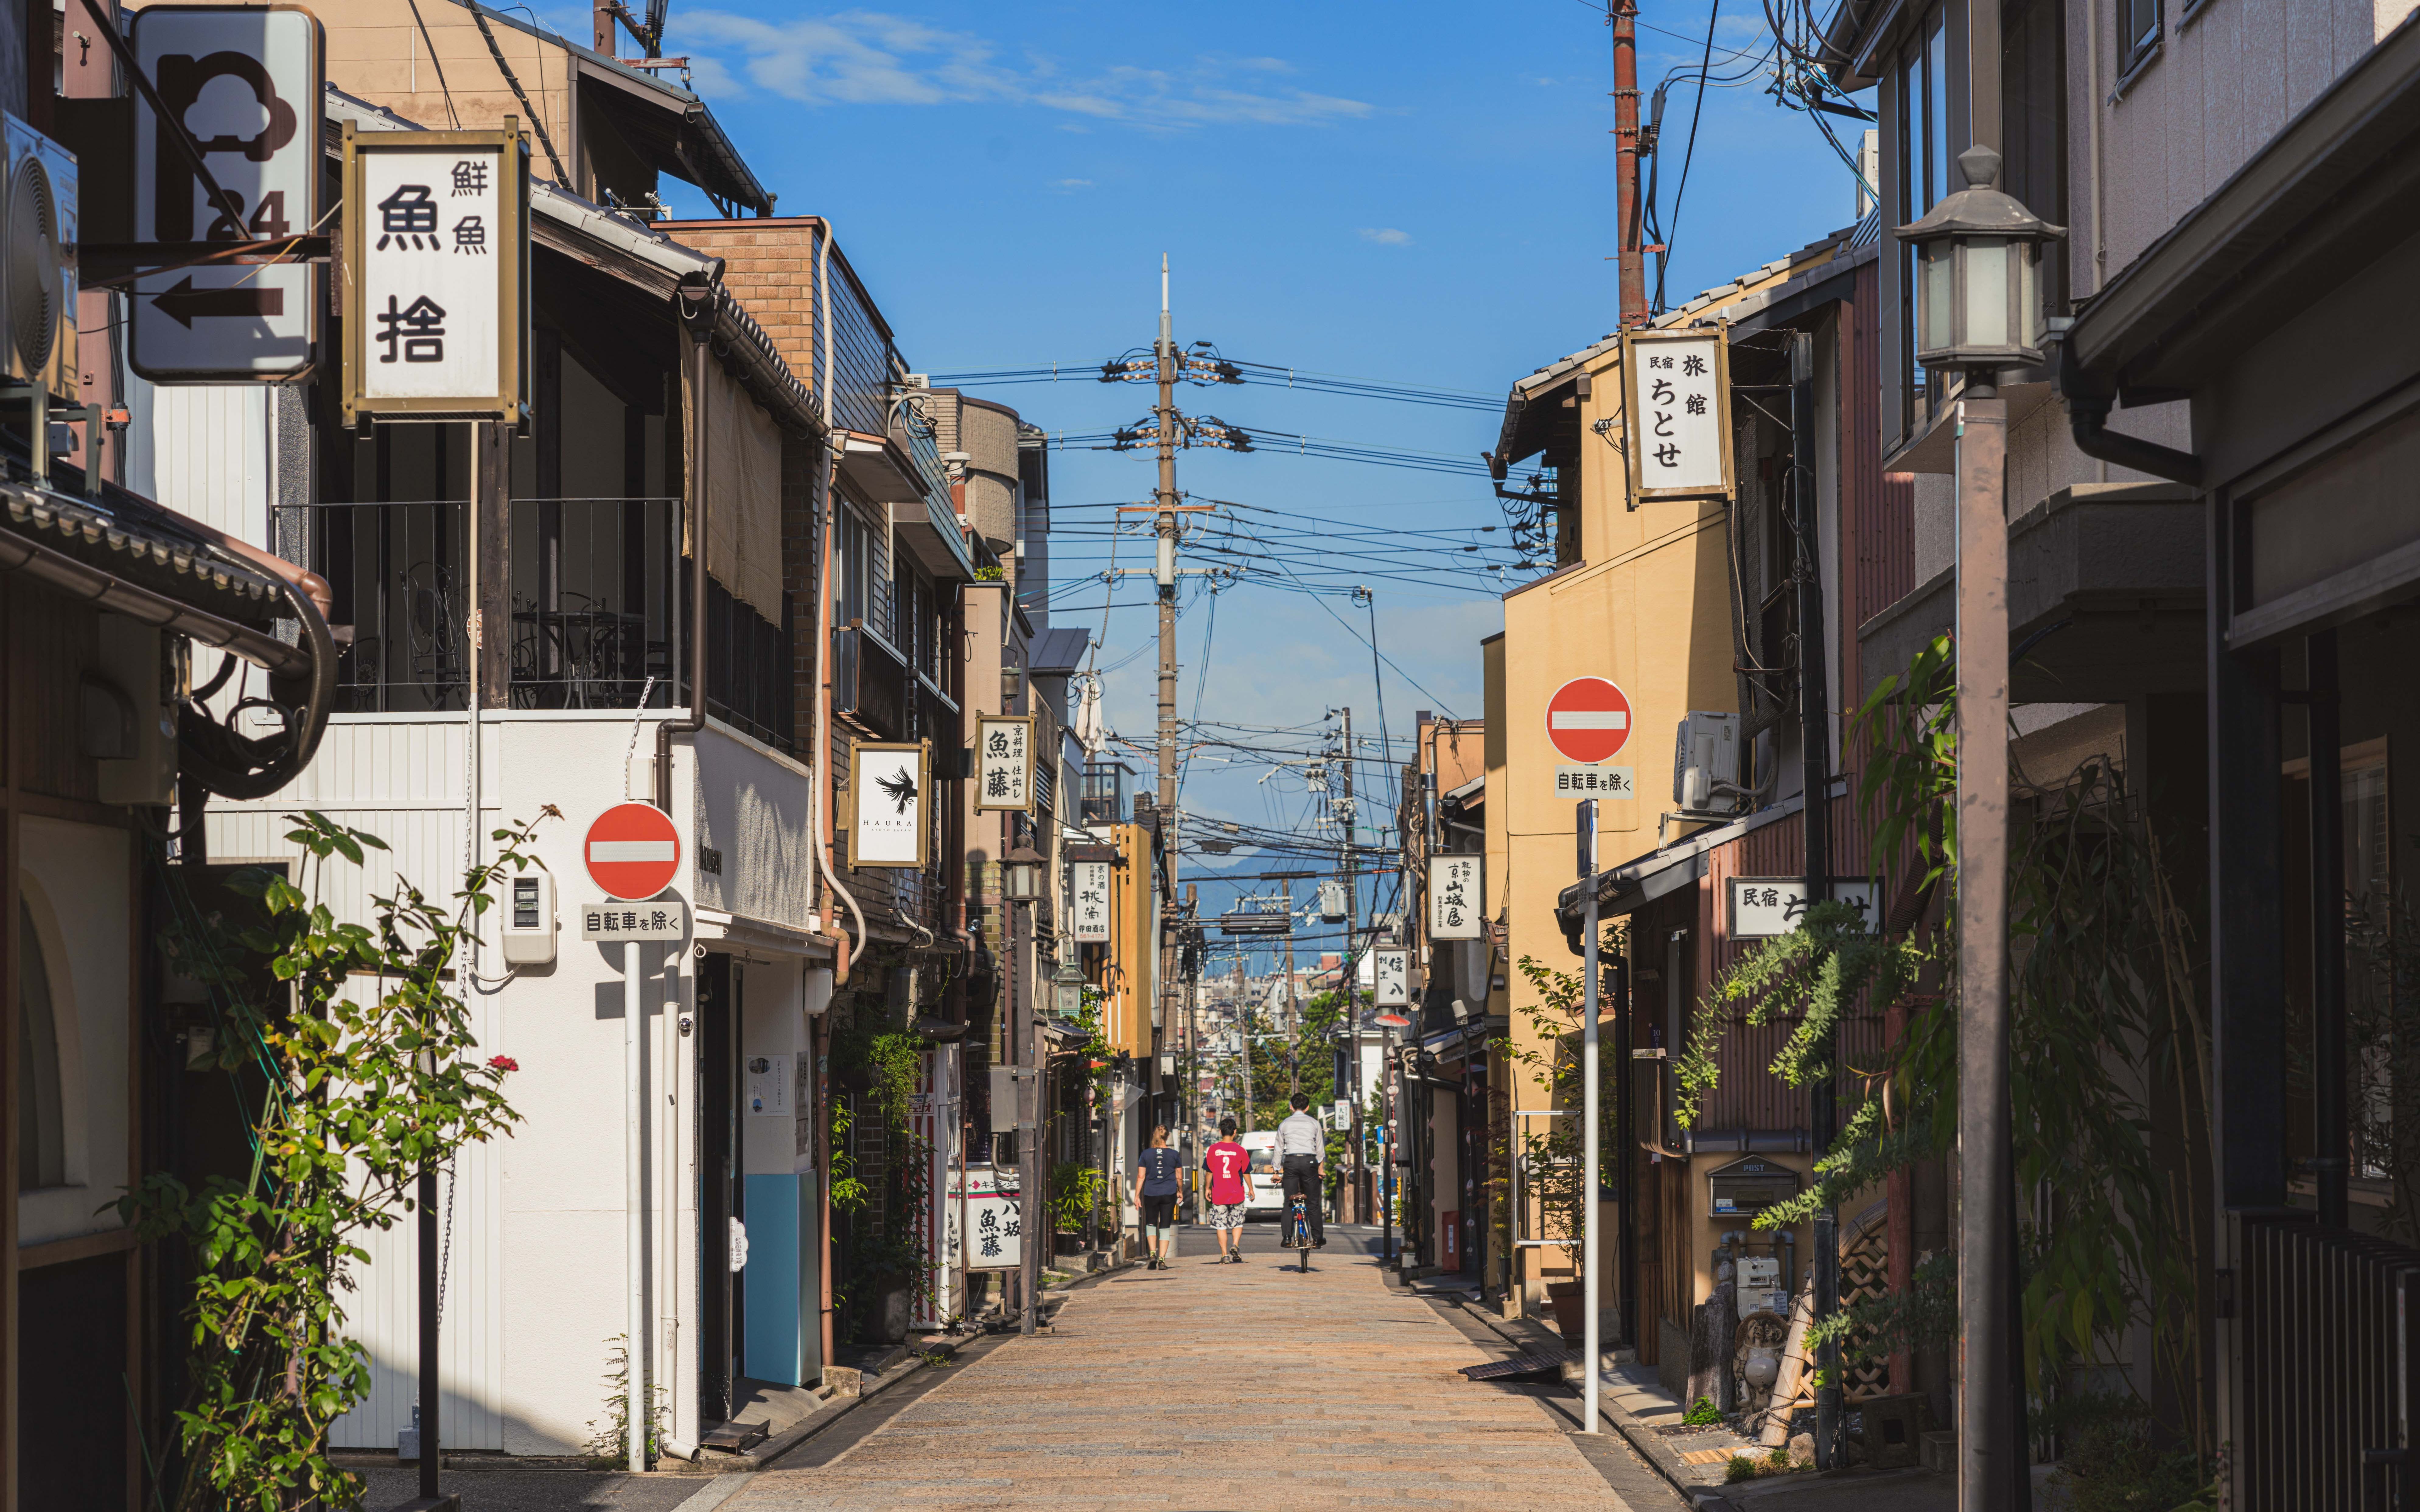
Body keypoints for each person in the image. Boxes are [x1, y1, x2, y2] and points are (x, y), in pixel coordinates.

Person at [1275, 1092, 1326, 1250]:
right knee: (1313, 1202)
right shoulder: (1314, 1123)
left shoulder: (1285, 1124)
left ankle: (1288, 1237)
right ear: (1308, 1107)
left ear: (1292, 1107)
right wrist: (1321, 1169)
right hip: (1309, 1161)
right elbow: (1320, 1149)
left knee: (1289, 1202)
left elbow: (1278, 1149)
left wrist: (1276, 1171)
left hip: (1291, 1161)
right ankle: (1317, 1238)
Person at [1131, 1126, 1182, 1270]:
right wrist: (1180, 1191)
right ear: (1167, 1137)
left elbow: (1141, 1176)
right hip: (1169, 1193)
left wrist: (1137, 1196)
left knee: (1151, 1224)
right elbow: (1179, 1176)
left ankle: (1153, 1253)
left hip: (1151, 1193)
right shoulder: (1174, 1154)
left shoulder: (1146, 1154)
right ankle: (1162, 1260)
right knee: (1165, 1226)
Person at [1202, 1117, 1251, 1264]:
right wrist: (1251, 1189)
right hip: (1237, 1192)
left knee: (1221, 1225)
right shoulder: (1241, 1150)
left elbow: (1209, 1172)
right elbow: (1246, 1172)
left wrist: (1207, 1188)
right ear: (1235, 1132)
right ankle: (1235, 1245)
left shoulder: (1213, 1149)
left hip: (1219, 1192)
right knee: (1237, 1222)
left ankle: (1225, 1255)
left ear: (1220, 1132)